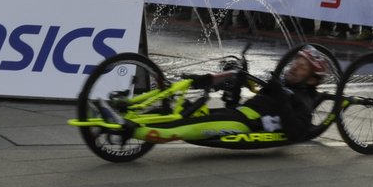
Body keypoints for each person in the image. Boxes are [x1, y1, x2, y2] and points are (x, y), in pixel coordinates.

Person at [94, 47, 328, 145]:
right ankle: (125, 110)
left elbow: (296, 132)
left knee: (182, 128)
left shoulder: (303, 101)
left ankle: (125, 128)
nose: (294, 67)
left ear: (312, 79)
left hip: (243, 124)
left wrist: (279, 94)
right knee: (175, 109)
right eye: (296, 61)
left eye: (303, 67)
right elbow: (252, 98)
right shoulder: (281, 84)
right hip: (236, 114)